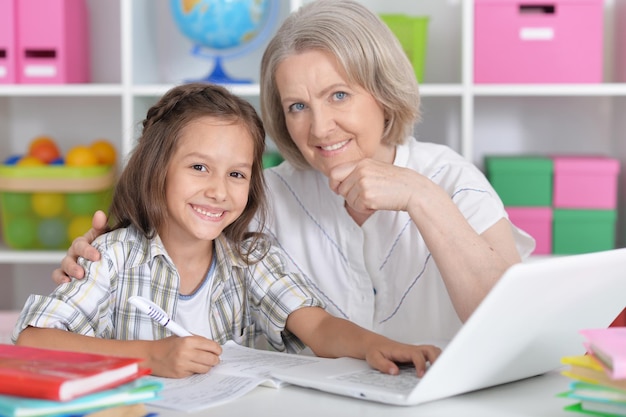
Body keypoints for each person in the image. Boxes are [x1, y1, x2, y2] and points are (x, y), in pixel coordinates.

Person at [52, 0, 534, 346]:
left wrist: (423, 199)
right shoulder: (266, 194)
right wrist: (105, 257)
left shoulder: (447, 175)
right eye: (297, 106)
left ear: (383, 93)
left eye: (339, 95)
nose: (320, 127)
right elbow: (176, 251)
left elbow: (513, 324)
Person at [13, 83, 440, 379]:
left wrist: (374, 346)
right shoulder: (113, 258)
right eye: (199, 167)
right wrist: (151, 357)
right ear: (156, 168)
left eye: (236, 174)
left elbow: (319, 327)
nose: (218, 191)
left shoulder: (251, 258)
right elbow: (32, 341)